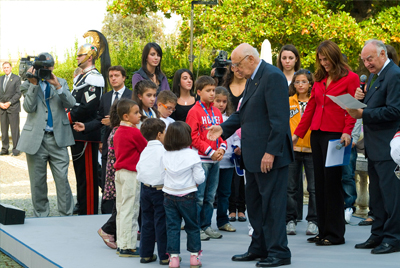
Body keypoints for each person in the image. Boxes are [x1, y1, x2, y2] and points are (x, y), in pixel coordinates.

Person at [207, 43, 293, 267]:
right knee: (254, 204)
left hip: (269, 157)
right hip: (254, 156)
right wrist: (223, 130)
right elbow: (243, 113)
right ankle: (259, 247)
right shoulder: (254, 78)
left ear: (250, 59)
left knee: (273, 206)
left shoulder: (272, 76)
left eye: (236, 65)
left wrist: (271, 152)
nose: (234, 69)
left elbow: (280, 120)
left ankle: (279, 252)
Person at [293, 40, 358, 246]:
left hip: (336, 136)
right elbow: (311, 107)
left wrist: (347, 132)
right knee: (319, 184)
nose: (323, 63)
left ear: (334, 56)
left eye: (326, 59)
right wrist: (297, 134)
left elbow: (352, 110)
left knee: (332, 184)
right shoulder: (320, 79)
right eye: (320, 60)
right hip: (317, 135)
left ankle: (335, 234)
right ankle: (322, 231)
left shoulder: (351, 78)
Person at [348, 39, 400, 254]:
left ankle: (393, 237)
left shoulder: (395, 75)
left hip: (389, 147)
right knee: (376, 195)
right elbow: (376, 104)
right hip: (374, 145)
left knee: (391, 196)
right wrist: (360, 100)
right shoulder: (374, 76)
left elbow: (395, 111)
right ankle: (378, 233)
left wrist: (363, 112)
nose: (367, 64)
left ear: (382, 54)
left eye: (370, 59)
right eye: (364, 60)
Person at [16, 52, 75, 217]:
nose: (46, 70)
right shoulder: (27, 84)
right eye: (43, 68)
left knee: (62, 179)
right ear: (36, 68)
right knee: (38, 182)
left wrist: (58, 86)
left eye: (49, 67)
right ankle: (41, 215)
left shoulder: (61, 82)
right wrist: (34, 85)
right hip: (36, 140)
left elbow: (70, 103)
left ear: (53, 67)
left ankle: (66, 215)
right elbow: (28, 107)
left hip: (58, 139)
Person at [73, 65, 132, 214]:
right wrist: (85, 127)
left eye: (116, 75)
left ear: (124, 78)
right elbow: (100, 119)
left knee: (125, 184)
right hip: (109, 147)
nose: (113, 78)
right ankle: (106, 215)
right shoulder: (105, 97)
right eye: (111, 76)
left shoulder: (132, 96)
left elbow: (135, 119)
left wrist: (114, 122)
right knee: (107, 184)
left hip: (127, 146)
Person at [67, 30, 111, 215]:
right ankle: (83, 206)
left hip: (86, 132)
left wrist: (68, 116)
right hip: (78, 131)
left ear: (90, 56)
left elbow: (88, 106)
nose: (77, 57)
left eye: (81, 54)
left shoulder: (93, 77)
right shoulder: (84, 76)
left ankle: (89, 210)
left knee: (88, 175)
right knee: (80, 175)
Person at [186, 76, 227, 241]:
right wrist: (211, 151)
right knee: (199, 197)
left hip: (215, 159)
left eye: (213, 90)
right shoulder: (194, 112)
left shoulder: (217, 112)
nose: (212, 94)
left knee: (211, 196)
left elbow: (221, 134)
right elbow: (192, 137)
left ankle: (206, 225)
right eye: (208, 91)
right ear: (198, 92)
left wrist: (222, 148)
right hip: (201, 160)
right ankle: (196, 228)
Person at [162, 121, 205, 268]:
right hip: (188, 195)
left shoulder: (165, 154)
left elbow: (162, 174)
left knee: (172, 227)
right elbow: (200, 178)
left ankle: (173, 258)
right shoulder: (192, 155)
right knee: (192, 226)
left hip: (169, 195)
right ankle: (194, 257)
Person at [113, 98, 147, 257]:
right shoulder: (134, 131)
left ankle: (121, 243)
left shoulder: (118, 131)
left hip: (119, 173)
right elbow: (145, 148)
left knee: (121, 208)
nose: (139, 115)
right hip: (131, 174)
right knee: (131, 209)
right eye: (136, 112)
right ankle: (128, 245)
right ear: (126, 116)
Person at [286, 69, 318, 236]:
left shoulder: (315, 100)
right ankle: (290, 219)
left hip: (312, 149)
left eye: (303, 81)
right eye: (297, 82)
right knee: (291, 187)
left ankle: (313, 220)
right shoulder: (289, 101)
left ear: (310, 84)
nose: (300, 85)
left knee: (313, 188)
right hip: (293, 149)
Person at [136, 118, 168, 264]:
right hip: (160, 190)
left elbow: (139, 169)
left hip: (145, 188)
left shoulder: (145, 151)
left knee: (146, 222)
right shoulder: (163, 151)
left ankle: (145, 254)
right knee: (161, 222)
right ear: (160, 134)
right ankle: (164, 255)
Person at [222, 64, 247, 223]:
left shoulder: (251, 85)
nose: (238, 69)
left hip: (246, 136)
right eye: (235, 66)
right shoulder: (224, 87)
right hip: (230, 134)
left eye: (241, 65)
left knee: (243, 175)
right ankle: (231, 209)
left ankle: (242, 208)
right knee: (231, 178)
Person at [213, 86, 240, 233]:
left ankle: (223, 220)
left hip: (228, 161)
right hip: (212, 161)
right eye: (218, 101)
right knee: (209, 194)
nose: (221, 104)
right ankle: (203, 222)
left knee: (225, 193)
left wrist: (237, 146)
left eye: (224, 101)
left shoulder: (230, 119)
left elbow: (236, 136)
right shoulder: (210, 117)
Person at [342, 119, 362, 224]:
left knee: (347, 175)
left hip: (349, 140)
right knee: (331, 175)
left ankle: (348, 207)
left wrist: (354, 137)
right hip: (332, 138)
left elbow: (356, 116)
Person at [0, 61, 21, 156]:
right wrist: (0, 103)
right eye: (4, 68)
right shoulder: (0, 79)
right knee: (4, 130)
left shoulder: (17, 78)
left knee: (14, 130)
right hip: (2, 108)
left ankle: (16, 150)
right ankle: (4, 149)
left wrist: (9, 102)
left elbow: (18, 93)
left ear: (11, 68)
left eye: (7, 67)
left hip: (13, 108)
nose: (6, 69)